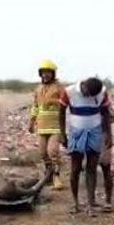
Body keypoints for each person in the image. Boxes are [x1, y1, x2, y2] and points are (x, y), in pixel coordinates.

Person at [60, 77, 111, 216]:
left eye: (92, 96)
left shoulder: (102, 93)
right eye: (87, 93)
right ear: (84, 86)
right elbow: (61, 111)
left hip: (95, 132)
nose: (88, 97)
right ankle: (75, 203)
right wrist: (62, 134)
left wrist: (108, 135)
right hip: (76, 132)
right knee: (75, 168)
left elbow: (106, 113)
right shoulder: (69, 92)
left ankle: (90, 204)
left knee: (91, 169)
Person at [29, 59, 67, 190]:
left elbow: (65, 104)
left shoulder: (59, 88)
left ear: (53, 73)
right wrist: (31, 121)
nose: (45, 75)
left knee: (53, 152)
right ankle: (48, 175)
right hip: (41, 126)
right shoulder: (38, 88)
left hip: (55, 126)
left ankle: (57, 176)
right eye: (43, 72)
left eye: (48, 72)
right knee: (43, 153)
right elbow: (35, 106)